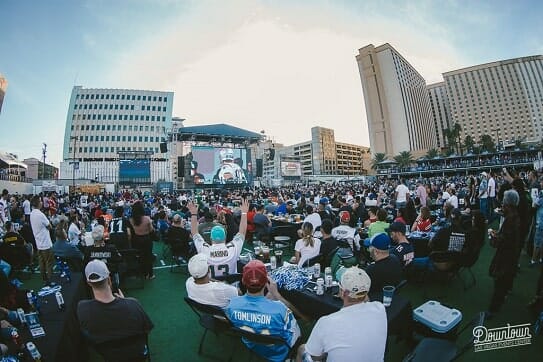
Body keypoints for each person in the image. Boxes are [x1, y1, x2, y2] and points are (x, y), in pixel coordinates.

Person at [296, 267, 387, 362]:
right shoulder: (380, 308)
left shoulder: (325, 322)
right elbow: (366, 300)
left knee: (302, 349)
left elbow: (314, 356)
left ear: (342, 292)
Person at [225, 260, 301, 362]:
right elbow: (296, 334)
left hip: (251, 344)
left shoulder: (232, 305)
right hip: (279, 352)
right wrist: (277, 295)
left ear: (243, 281)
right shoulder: (280, 309)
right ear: (266, 281)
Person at [77, 260, 154, 352]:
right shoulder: (133, 304)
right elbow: (147, 329)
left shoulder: (82, 308)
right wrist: (125, 302)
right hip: (137, 353)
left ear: (88, 283)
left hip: (110, 356)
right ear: (109, 280)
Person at [189, 199, 248, 278]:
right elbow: (242, 232)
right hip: (230, 287)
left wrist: (193, 214)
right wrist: (244, 213)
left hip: (212, 287)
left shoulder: (204, 250)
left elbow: (194, 232)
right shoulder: (233, 249)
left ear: (211, 238)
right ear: (225, 237)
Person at [487, 189, 520, 316]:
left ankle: (493, 309)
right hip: (511, 253)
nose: (502, 205)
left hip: (506, 255)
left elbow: (504, 240)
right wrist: (498, 233)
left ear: (508, 204)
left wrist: (492, 235)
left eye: (504, 203)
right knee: (504, 280)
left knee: (499, 281)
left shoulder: (510, 219)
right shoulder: (514, 216)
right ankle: (502, 297)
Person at [30, 196, 54, 285]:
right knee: (49, 262)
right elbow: (49, 226)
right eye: (40, 201)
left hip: (38, 243)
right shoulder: (40, 214)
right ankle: (51, 280)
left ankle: (44, 280)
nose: (41, 202)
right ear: (37, 203)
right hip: (46, 243)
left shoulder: (32, 213)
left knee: (42, 263)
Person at [129, 201, 156, 280]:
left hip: (136, 240)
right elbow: (151, 230)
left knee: (140, 257)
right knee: (148, 257)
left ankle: (143, 273)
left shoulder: (131, 220)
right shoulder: (147, 219)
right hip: (146, 240)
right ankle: (150, 275)